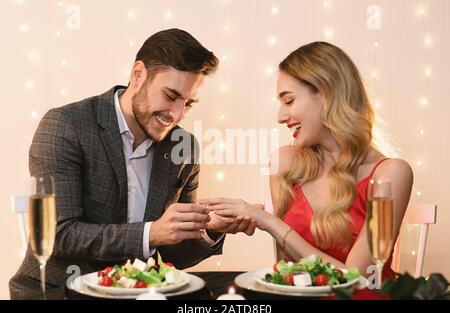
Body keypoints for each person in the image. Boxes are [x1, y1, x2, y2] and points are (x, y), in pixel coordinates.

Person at [10, 28, 256, 299]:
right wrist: (151, 233)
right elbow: (59, 235)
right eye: (171, 96)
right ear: (138, 74)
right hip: (59, 290)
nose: (177, 114)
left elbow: (175, 256)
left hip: (138, 292)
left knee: (231, 295)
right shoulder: (65, 125)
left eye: (188, 103)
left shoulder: (184, 148)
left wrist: (207, 228)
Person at [202, 42, 413, 280]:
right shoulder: (285, 163)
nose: (280, 117)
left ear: (326, 94)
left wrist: (271, 223)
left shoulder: (392, 174)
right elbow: (286, 274)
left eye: (289, 101)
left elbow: (359, 279)